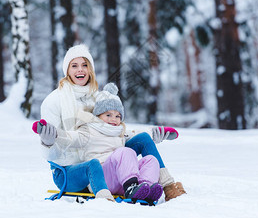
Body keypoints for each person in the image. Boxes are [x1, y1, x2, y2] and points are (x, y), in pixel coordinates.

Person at [40, 44, 186, 201]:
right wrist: (48, 143)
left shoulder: (97, 97)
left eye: (84, 65)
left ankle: (167, 187)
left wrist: (153, 135)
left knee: (143, 139)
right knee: (97, 162)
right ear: (67, 70)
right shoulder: (54, 101)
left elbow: (112, 132)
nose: (80, 70)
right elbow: (52, 152)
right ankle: (120, 189)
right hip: (71, 171)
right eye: (74, 66)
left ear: (90, 70)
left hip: (104, 162)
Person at [37, 83, 165, 203]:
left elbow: (135, 133)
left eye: (117, 116)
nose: (113, 119)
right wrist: (54, 134)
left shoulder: (119, 131)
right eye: (108, 115)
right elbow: (71, 138)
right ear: (98, 115)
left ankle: (145, 189)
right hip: (102, 176)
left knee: (150, 160)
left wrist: (154, 134)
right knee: (125, 152)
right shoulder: (89, 130)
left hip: (121, 178)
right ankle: (131, 187)